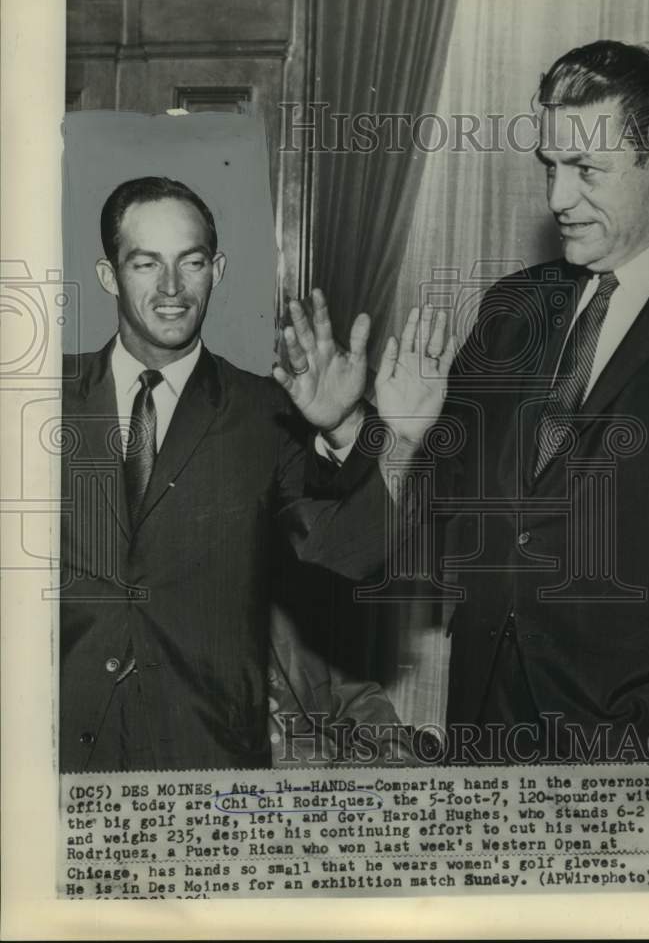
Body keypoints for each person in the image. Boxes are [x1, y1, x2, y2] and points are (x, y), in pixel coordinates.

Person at [59, 176, 453, 773]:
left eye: (191, 263)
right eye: (146, 264)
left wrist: (373, 433)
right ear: (110, 275)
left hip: (206, 765)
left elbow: (352, 552)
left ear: (216, 270)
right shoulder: (40, 399)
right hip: (60, 758)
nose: (172, 288)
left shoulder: (265, 411)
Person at [428, 41, 649, 763]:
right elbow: (445, 520)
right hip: (486, 739)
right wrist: (392, 434)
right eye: (549, 167)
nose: (556, 199)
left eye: (586, 171)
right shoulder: (514, 307)